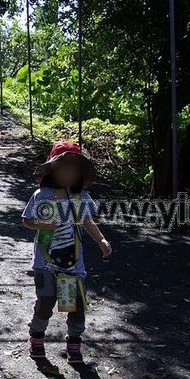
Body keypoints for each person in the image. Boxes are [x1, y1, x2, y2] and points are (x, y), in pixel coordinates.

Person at [21, 142, 111, 363]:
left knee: (74, 305)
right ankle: (37, 338)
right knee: (46, 301)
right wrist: (41, 224)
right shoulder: (42, 195)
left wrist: (101, 239)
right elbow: (26, 219)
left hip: (71, 263)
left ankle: (73, 343)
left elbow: (87, 221)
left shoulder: (79, 198)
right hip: (45, 261)